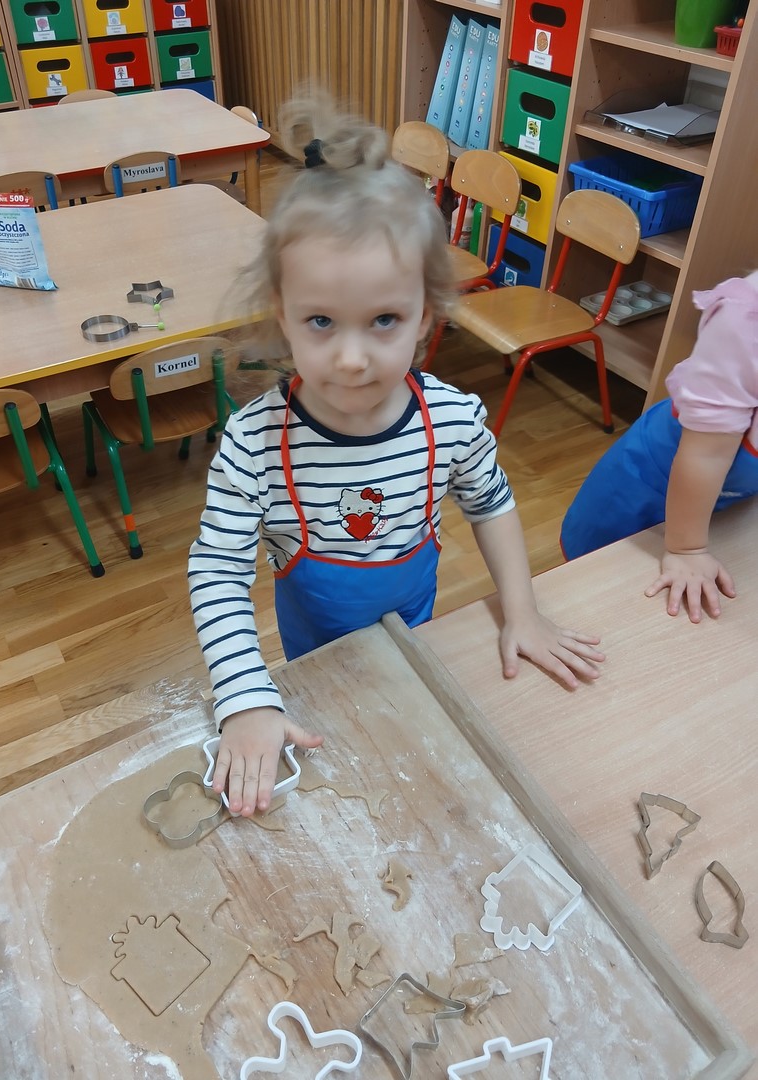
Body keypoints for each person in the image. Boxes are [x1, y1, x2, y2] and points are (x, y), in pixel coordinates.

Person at [188, 92, 605, 818]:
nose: (352, 358)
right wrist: (246, 699)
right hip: (313, 650)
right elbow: (218, 569)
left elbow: (492, 505)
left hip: (417, 628)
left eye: (383, 319)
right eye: (321, 321)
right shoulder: (254, 443)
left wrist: (523, 611)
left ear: (424, 317)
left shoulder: (452, 418)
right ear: (283, 315)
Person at [561, 269, 758, 622]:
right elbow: (707, 454)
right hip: (652, 484)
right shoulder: (746, 325)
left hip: (729, 498)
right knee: (595, 590)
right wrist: (687, 549)